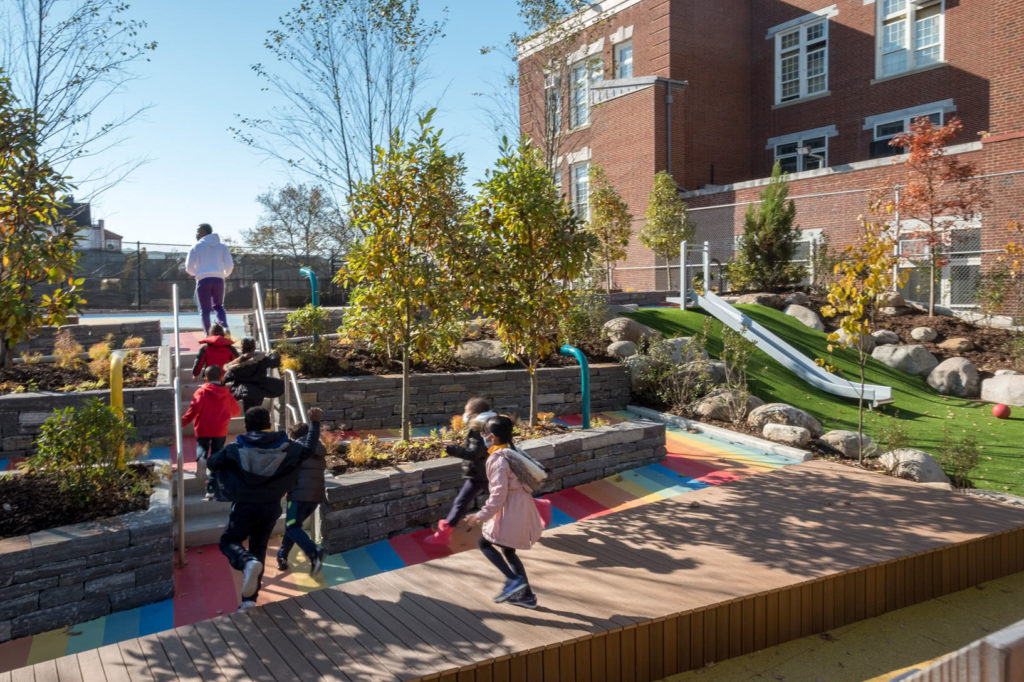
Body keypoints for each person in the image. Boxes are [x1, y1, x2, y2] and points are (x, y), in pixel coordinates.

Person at [208, 405, 323, 610]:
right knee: (258, 549)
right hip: (271, 507)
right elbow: (307, 450)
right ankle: (249, 600)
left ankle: (245, 563)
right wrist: (314, 423)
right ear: (269, 424)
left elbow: (213, 462)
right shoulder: (287, 447)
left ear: (246, 425)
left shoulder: (236, 449)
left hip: (245, 506)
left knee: (229, 541)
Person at [465, 415, 544, 609]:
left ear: (493, 437)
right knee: (509, 551)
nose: (482, 436)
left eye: (484, 433)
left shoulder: (498, 460)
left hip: (510, 511)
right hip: (522, 507)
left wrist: (479, 516)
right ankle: (527, 596)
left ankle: (514, 581)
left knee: (484, 543)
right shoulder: (511, 452)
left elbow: (499, 495)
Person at [426, 397, 496, 546]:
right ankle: (443, 535)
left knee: (461, 502)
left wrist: (452, 449)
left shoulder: (479, 427)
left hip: (481, 473)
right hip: (484, 472)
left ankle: (443, 535)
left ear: (474, 414)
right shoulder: (492, 422)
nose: (464, 415)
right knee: (461, 502)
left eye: (466, 412)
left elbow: (475, 453)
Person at [180, 365, 241, 500]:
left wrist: (182, 423)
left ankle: (201, 459)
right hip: (220, 429)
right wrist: (226, 413)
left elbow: (192, 411)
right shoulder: (227, 394)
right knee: (217, 457)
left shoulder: (200, 392)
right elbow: (237, 411)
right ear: (221, 378)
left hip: (203, 428)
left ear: (206, 378)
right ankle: (211, 489)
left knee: (202, 447)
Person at [276, 421, 327, 575]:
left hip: (298, 496)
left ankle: (314, 552)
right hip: (315, 497)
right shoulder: (318, 449)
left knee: (292, 527)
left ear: (294, 436)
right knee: (293, 527)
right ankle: (282, 557)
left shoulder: (294, 449)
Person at [185, 222, 234, 335]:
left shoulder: (196, 246)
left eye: (198, 231)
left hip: (203, 280)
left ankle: (208, 334)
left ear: (204, 232)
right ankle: (225, 328)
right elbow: (230, 264)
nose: (196, 233)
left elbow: (188, 267)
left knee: (205, 310)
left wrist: (196, 273)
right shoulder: (222, 247)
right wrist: (225, 274)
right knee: (218, 306)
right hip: (218, 279)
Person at [224, 337, 284, 411]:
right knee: (257, 412)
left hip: (245, 392)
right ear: (254, 348)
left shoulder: (235, 365)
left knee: (249, 413)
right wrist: (267, 354)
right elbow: (275, 361)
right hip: (260, 390)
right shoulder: (262, 359)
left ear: (242, 348)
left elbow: (225, 378)